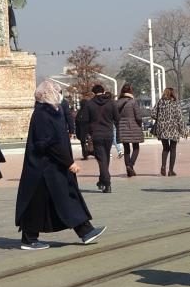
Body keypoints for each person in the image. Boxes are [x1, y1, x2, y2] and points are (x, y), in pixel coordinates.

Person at [15, 80, 106, 250]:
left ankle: (85, 231)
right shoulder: (43, 113)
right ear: (48, 94)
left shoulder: (51, 111)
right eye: (57, 91)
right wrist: (69, 162)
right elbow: (48, 143)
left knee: (63, 197)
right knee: (42, 201)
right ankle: (29, 238)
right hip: (43, 168)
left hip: (52, 166)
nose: (59, 95)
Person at [84, 84, 116, 193]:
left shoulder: (90, 104)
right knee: (105, 158)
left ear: (93, 93)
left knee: (102, 159)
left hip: (96, 135)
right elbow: (117, 118)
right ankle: (102, 180)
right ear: (103, 91)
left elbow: (86, 121)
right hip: (108, 134)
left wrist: (88, 134)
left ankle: (107, 183)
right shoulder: (111, 103)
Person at [152, 87, 186, 176]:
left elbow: (153, 113)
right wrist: (183, 131)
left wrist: (160, 118)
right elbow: (179, 118)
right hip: (173, 128)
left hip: (162, 128)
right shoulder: (175, 103)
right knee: (173, 149)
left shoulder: (160, 102)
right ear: (172, 93)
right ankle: (171, 170)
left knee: (165, 148)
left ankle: (163, 166)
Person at [115, 84, 144, 177]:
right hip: (133, 127)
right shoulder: (133, 102)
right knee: (136, 147)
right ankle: (130, 165)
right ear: (130, 91)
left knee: (126, 149)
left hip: (122, 128)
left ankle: (129, 170)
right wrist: (140, 124)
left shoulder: (117, 102)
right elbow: (138, 117)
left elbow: (115, 117)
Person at [75, 93, 92, 160]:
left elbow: (77, 121)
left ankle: (85, 155)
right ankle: (94, 153)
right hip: (90, 131)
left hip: (82, 131)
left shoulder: (80, 112)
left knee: (83, 143)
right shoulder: (90, 111)